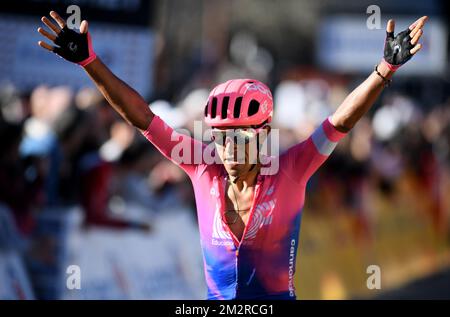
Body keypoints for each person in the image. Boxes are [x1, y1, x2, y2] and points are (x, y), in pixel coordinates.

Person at [37, 11, 427, 299]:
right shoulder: (200, 166)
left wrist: (383, 70)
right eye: (220, 138)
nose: (227, 148)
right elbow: (142, 117)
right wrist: (90, 63)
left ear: (263, 136)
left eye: (239, 137)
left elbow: (340, 121)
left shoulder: (292, 168)